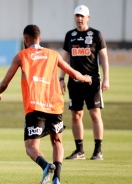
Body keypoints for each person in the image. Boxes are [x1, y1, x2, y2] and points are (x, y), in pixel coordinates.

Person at [0, 24, 92, 184]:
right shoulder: (53, 54)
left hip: (35, 106)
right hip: (55, 105)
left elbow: (5, 83)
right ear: (40, 38)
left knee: (31, 147)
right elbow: (73, 73)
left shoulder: (21, 56)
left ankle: (45, 165)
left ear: (25, 39)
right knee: (57, 141)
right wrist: (86, 77)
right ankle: (56, 178)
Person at [59, 5, 109, 160]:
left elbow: (104, 58)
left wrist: (106, 78)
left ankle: (98, 150)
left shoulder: (96, 35)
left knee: (95, 114)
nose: (79, 19)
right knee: (76, 115)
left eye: (82, 16)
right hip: (74, 82)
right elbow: (64, 59)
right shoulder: (70, 35)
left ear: (88, 17)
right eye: (77, 16)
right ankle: (79, 150)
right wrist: (61, 78)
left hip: (92, 82)